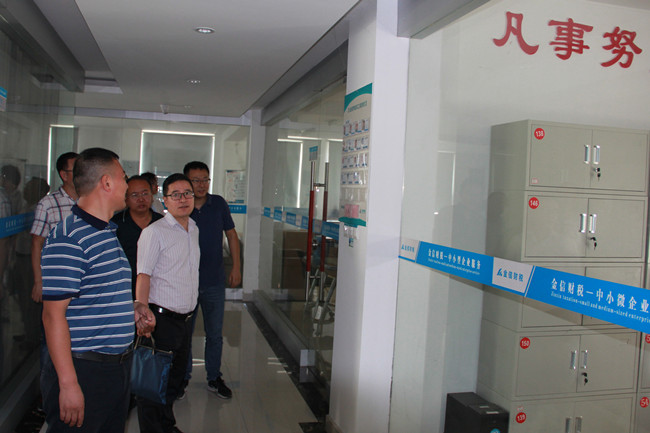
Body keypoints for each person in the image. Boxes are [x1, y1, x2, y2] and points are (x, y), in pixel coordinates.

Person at [40, 147, 154, 432]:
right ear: (106, 182)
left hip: (116, 367)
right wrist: (68, 384)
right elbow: (53, 316)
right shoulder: (69, 238)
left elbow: (94, 293)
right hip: (84, 369)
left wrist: (132, 309)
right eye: (124, 177)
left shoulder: (106, 231)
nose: (127, 185)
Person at [134, 173, 199, 433]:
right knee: (153, 385)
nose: (183, 199)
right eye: (176, 195)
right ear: (165, 200)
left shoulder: (193, 228)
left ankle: (167, 425)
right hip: (160, 319)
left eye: (187, 193)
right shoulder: (154, 233)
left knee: (174, 380)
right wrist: (142, 313)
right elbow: (143, 275)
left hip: (185, 319)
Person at [182, 161, 241, 399]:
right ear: (187, 182)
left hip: (214, 280)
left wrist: (236, 266)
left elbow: (231, 235)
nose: (201, 185)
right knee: (184, 334)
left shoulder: (218, 204)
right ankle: (182, 377)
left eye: (205, 179)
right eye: (195, 180)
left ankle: (214, 377)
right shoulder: (181, 204)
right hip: (185, 282)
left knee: (214, 333)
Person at [30, 152, 79, 303]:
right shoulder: (48, 204)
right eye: (77, 170)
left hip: (84, 277)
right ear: (64, 175)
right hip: (57, 277)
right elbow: (37, 244)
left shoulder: (90, 201)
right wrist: (38, 281)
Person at [111, 175, 163, 297]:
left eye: (145, 194)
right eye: (134, 195)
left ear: (152, 195)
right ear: (126, 198)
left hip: (158, 291)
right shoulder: (115, 225)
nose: (141, 199)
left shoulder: (162, 223)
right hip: (124, 290)